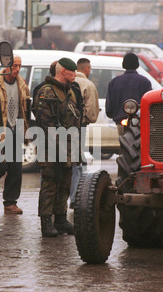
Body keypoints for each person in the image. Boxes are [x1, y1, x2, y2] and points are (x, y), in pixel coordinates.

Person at [34, 58, 81, 237]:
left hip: (68, 147)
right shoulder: (47, 92)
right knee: (50, 183)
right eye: (73, 71)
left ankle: (60, 219)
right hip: (51, 148)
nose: (75, 75)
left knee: (65, 183)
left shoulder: (69, 91)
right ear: (63, 72)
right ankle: (46, 221)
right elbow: (44, 122)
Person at [0, 55, 30, 214]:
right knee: (0, 166)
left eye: (19, 66)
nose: (17, 69)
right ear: (7, 65)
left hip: (16, 128)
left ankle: (10, 203)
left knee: (16, 167)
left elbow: (25, 107)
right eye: (14, 66)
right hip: (0, 129)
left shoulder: (22, 83)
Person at [69, 58, 99, 209]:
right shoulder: (88, 84)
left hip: (64, 128)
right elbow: (92, 112)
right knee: (78, 162)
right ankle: (76, 198)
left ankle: (70, 196)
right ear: (87, 69)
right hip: (80, 127)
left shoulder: (69, 81)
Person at [106, 53, 152, 138]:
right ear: (137, 65)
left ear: (123, 64)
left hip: (121, 121)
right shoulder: (145, 82)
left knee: (124, 144)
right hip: (140, 123)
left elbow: (109, 108)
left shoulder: (114, 82)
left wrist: (114, 115)